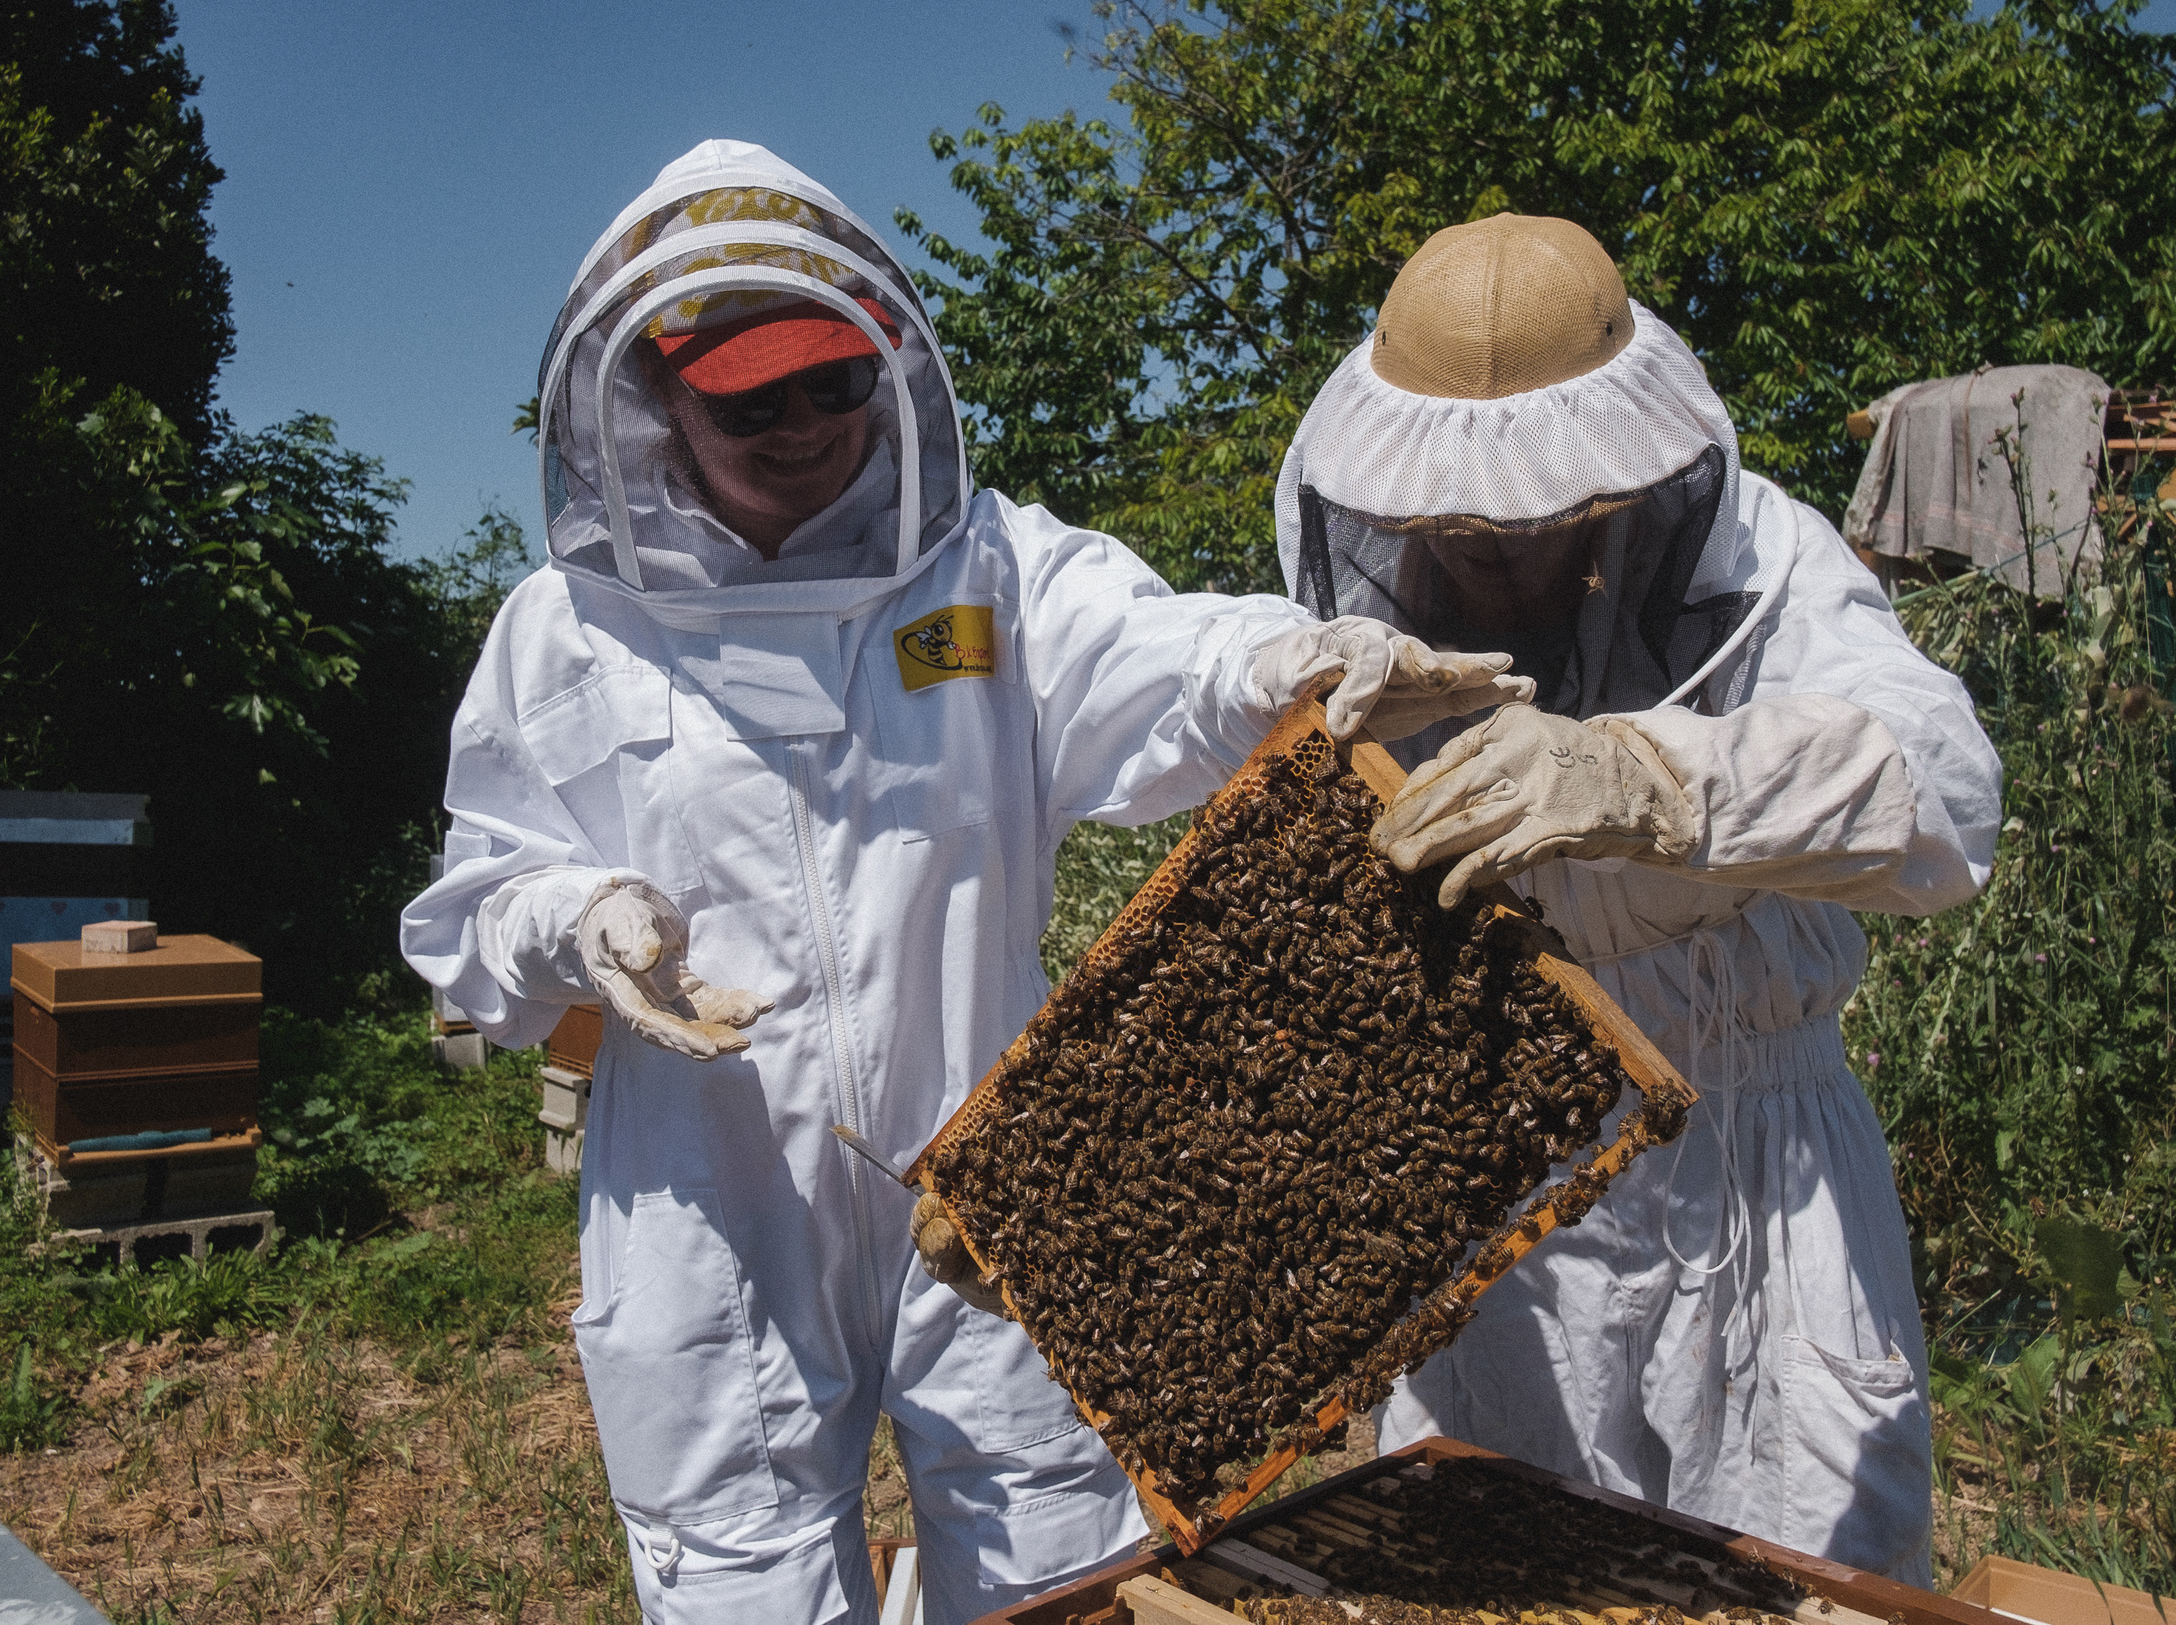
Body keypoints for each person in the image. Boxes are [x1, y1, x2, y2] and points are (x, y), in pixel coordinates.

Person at [400, 140, 1524, 1625]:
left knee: (1060, 1569)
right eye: (751, 395)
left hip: (997, 1170)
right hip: (710, 1190)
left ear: (890, 370)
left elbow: (1156, 656)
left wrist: (1281, 656)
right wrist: (576, 919)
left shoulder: (987, 575)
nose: (804, 423)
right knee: (736, 1578)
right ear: (657, 396)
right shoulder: (568, 631)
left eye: (834, 381)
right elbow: (478, 903)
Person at [1275, 213, 2000, 1586]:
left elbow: (1947, 797)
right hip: (1501, 1191)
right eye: (1449, 515)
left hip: (1761, 1169)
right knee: (1495, 1578)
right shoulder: (1372, 643)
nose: (1483, 546)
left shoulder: (1769, 568)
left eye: (1524, 512)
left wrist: (1659, 782)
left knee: (1798, 1585)